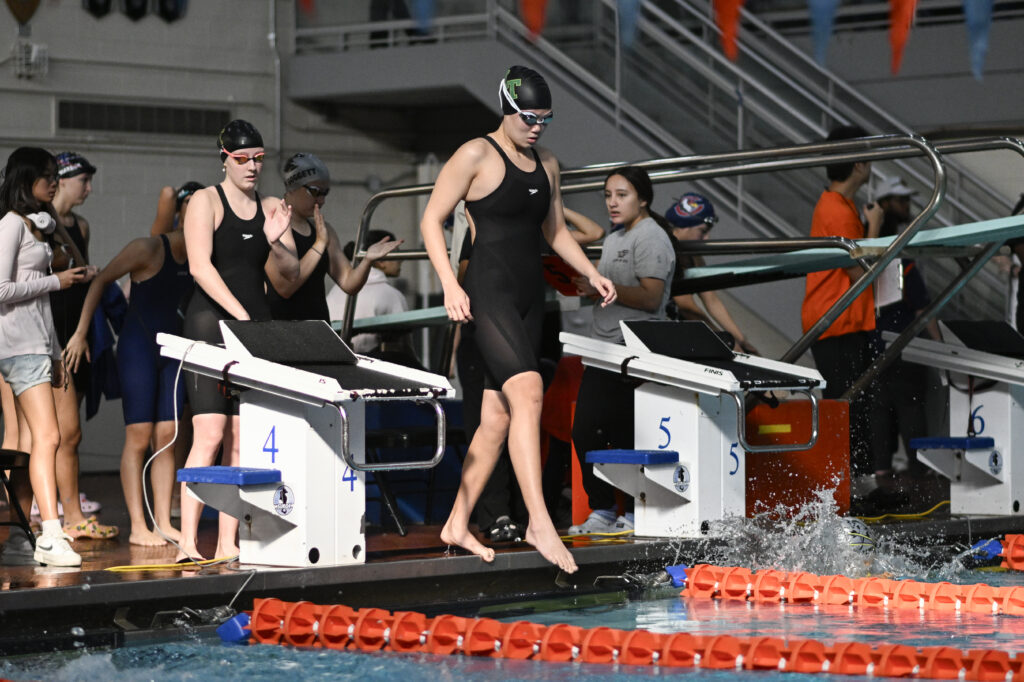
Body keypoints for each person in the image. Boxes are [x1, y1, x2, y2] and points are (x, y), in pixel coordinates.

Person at [420, 65, 615, 573]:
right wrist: (449, 284)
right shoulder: (476, 154)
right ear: (506, 108)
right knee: (528, 391)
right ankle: (539, 522)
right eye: (529, 118)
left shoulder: (547, 163)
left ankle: (456, 522)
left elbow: (556, 231)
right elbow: (431, 219)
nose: (536, 127)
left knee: (498, 418)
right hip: (488, 295)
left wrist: (592, 273)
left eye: (545, 119)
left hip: (531, 300)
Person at [177, 120, 298, 563]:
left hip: (254, 327)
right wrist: (240, 315)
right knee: (210, 432)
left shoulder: (271, 206)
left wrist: (276, 243)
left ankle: (228, 541)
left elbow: (290, 276)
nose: (252, 166)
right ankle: (188, 541)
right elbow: (199, 267)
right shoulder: (205, 201)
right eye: (242, 158)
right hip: (212, 324)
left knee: (242, 437)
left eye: (258, 159)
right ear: (224, 159)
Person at [64, 184, 201, 546]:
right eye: (190, 206)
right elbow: (101, 279)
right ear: (180, 213)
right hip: (138, 349)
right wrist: (81, 333)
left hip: (174, 352)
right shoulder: (149, 248)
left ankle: (162, 522)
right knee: (139, 437)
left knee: (167, 438)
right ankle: (139, 526)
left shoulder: (202, 256)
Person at [569, 166, 676, 535]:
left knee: (630, 433)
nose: (612, 203)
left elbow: (651, 297)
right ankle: (602, 508)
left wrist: (601, 287)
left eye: (622, 195)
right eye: (608, 195)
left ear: (643, 199)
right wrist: (589, 287)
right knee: (586, 430)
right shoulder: (615, 237)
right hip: (604, 349)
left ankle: (632, 511)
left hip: (635, 350)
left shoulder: (651, 237)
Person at [0, 147, 91, 566]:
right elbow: (2, 290)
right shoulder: (10, 225)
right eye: (48, 176)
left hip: (37, 344)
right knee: (48, 437)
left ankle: (19, 538)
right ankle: (51, 534)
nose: (55, 183)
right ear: (26, 179)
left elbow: (39, 303)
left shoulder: (35, 225)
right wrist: (56, 281)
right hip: (19, 346)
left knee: (29, 444)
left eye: (57, 176)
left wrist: (54, 352)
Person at [800, 125, 883, 482]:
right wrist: (875, 226)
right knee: (847, 406)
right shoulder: (837, 209)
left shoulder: (838, 205)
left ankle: (858, 483)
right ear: (859, 165)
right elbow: (859, 270)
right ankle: (848, 484)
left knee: (854, 406)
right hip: (836, 319)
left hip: (841, 319)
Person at [269, 153, 400, 322]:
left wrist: (367, 260)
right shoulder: (272, 227)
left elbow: (349, 283)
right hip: (280, 328)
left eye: (325, 193)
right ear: (293, 187)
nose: (322, 200)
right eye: (315, 192)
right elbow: (284, 288)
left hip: (317, 328)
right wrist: (319, 244)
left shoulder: (324, 230)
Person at [870, 176, 941, 485]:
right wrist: (940, 345)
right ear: (885, 204)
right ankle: (918, 471)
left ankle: (882, 473)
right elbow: (922, 306)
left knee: (880, 409)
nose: (907, 206)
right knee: (910, 407)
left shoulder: (867, 247)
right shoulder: (900, 254)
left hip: (873, 343)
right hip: (903, 343)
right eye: (901, 200)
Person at [663, 192, 759, 354]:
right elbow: (686, 306)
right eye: (703, 231)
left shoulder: (693, 255)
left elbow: (711, 300)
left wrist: (741, 340)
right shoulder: (667, 250)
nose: (707, 238)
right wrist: (723, 339)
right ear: (685, 225)